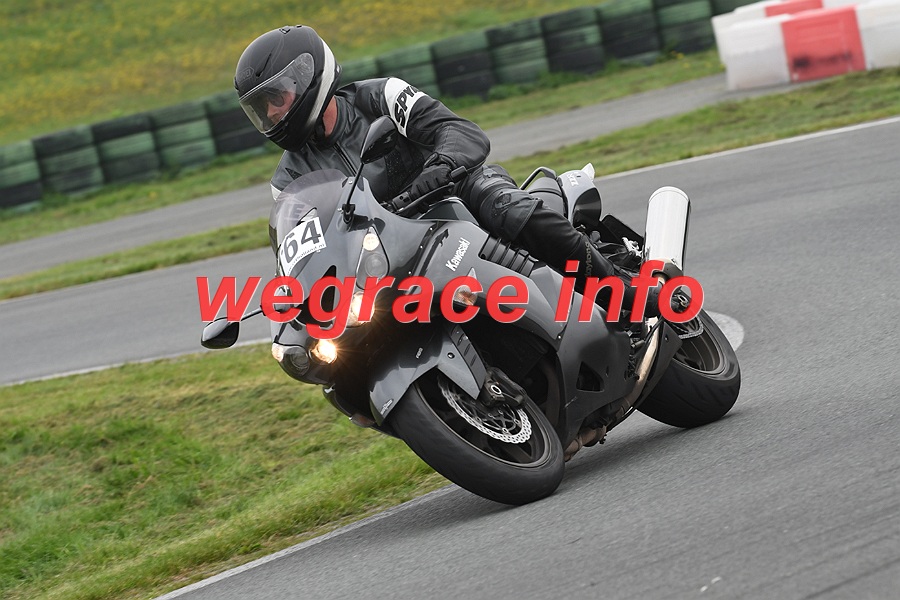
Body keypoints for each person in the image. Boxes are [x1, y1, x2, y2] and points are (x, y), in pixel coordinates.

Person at [235, 25, 662, 317]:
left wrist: (438, 170)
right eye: (261, 107)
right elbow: (302, 253)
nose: (271, 114)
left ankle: (625, 293)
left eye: (276, 98)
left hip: (456, 191)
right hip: (389, 248)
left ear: (308, 77)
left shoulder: (380, 97)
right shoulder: (286, 183)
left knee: (507, 207)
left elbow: (461, 132)